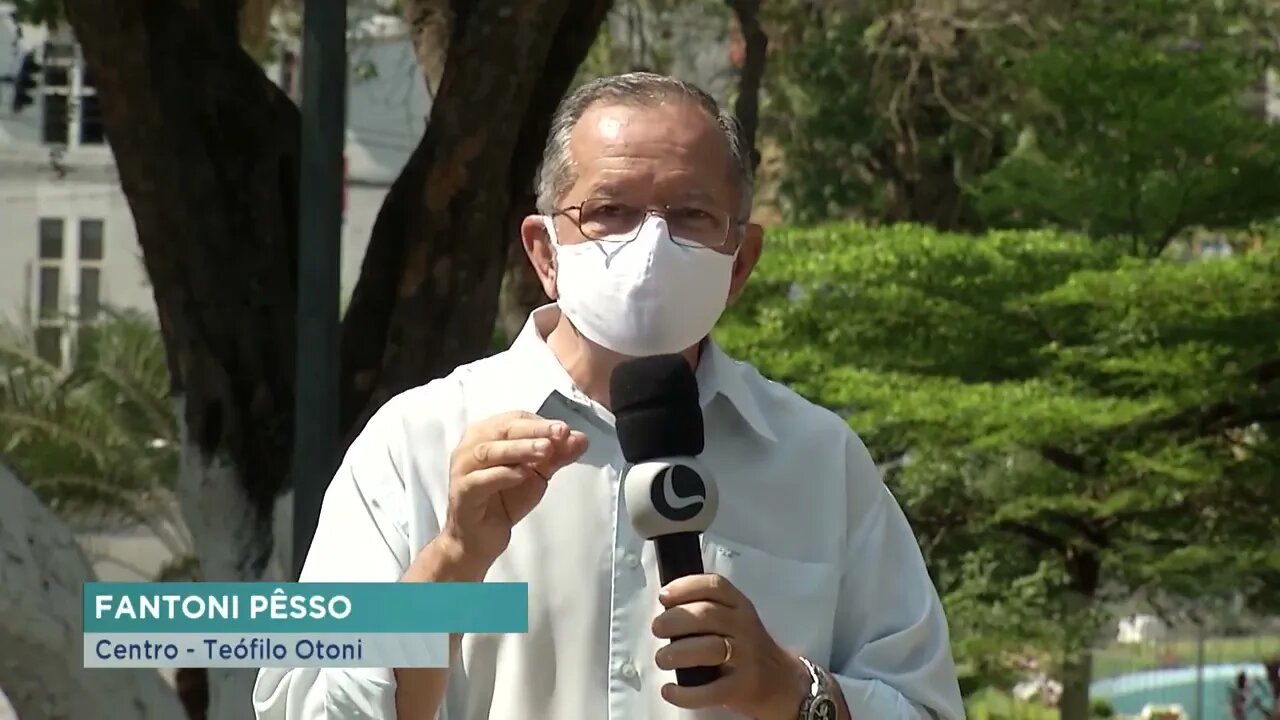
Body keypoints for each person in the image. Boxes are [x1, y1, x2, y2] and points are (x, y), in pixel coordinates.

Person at [253, 72, 965, 720]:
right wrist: (454, 557)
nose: (650, 245)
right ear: (543, 252)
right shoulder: (415, 443)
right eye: (610, 211)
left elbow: (927, 708)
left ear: (740, 260)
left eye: (690, 216)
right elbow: (302, 710)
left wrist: (793, 690)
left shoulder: (818, 461)